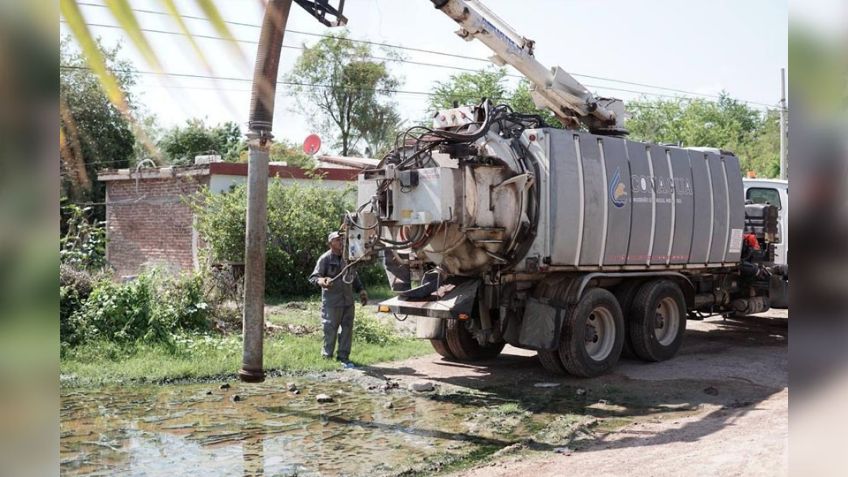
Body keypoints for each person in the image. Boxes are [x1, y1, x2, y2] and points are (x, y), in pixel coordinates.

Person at [309, 231, 368, 365]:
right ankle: (326, 358)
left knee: (347, 329)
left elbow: (354, 276)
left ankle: (343, 357)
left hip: (348, 301)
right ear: (330, 243)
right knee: (330, 329)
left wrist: (361, 290)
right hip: (332, 302)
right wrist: (322, 280)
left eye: (342, 239)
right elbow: (313, 277)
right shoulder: (325, 258)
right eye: (337, 240)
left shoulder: (348, 257)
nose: (341, 242)